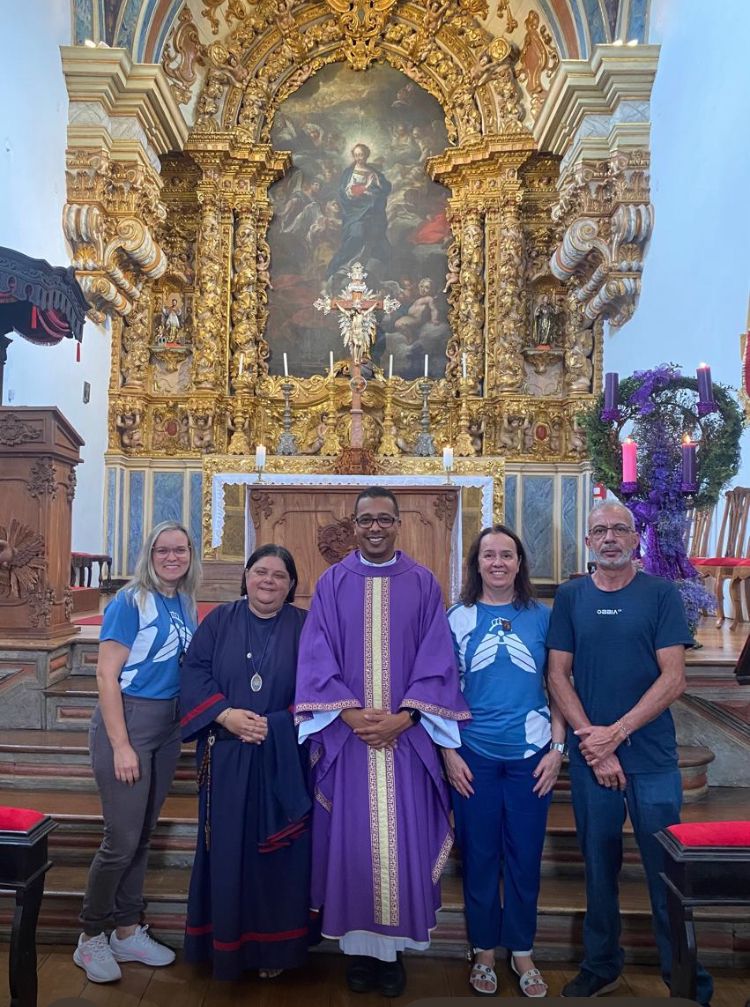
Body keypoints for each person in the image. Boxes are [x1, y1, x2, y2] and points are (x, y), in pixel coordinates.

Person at [294, 486, 470, 997]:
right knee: (354, 841)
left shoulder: (423, 583)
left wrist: (405, 718)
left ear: (398, 524)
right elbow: (316, 654)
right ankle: (357, 953)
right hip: (348, 740)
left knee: (402, 843)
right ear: (354, 525)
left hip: (405, 741)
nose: (375, 527)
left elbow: (437, 659)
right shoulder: (332, 582)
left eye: (384, 519)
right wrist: (350, 715)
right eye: (366, 519)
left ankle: (394, 956)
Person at [547, 501, 714, 1005]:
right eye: (600, 530)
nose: (610, 538)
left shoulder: (660, 593)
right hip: (593, 757)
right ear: (588, 541)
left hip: (651, 757)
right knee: (599, 869)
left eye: (620, 529)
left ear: (635, 538)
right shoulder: (571, 596)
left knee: (667, 871)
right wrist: (594, 746)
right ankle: (601, 966)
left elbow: (674, 678)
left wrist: (614, 735)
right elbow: (557, 675)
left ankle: (684, 979)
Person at [179, 544, 314, 981]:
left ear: (291, 584)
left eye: (279, 575)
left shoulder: (306, 625)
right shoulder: (219, 620)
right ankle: (224, 946)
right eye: (260, 572)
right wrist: (225, 715)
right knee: (228, 852)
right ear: (246, 577)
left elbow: (319, 684)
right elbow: (194, 672)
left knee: (279, 857)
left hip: (284, 758)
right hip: (226, 757)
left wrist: (277, 724)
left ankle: (276, 949)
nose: (268, 581)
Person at [74, 521, 200, 983]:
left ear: (190, 555)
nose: (172, 557)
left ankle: (127, 930)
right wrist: (121, 744)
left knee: (142, 834)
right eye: (162, 550)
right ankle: (91, 935)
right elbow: (106, 675)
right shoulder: (130, 601)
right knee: (121, 840)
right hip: (129, 720)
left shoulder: (183, 600)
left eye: (180, 550)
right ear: (149, 554)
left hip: (167, 726)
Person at [445, 526, 566, 997]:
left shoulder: (543, 617)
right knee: (479, 856)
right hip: (472, 754)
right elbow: (441, 691)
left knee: (524, 856)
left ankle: (521, 949)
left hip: (531, 756)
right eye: (489, 555)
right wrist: (448, 752)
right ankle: (483, 950)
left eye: (507, 555)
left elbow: (559, 685)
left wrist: (557, 750)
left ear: (519, 563)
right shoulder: (457, 617)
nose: (498, 563)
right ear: (476, 563)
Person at [326, 143, 392, 281]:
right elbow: (344, 192)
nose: (358, 158)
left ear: (366, 155)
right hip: (353, 213)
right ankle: (337, 266)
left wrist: (374, 187)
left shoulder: (374, 173)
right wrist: (362, 190)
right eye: (356, 155)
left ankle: (363, 271)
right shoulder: (348, 172)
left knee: (375, 239)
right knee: (356, 235)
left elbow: (384, 189)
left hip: (371, 212)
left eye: (361, 155)